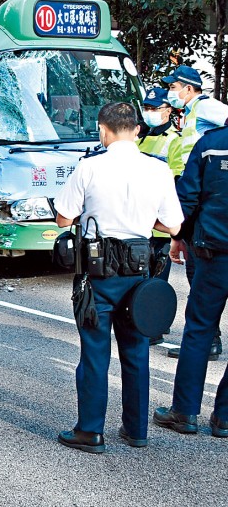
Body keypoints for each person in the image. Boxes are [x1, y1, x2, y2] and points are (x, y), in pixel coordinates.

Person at [53, 102, 183, 454]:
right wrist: (143, 223)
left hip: (98, 273)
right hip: (140, 272)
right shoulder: (158, 170)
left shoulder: (89, 167)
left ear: (103, 130)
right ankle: (136, 429)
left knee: (95, 352)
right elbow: (173, 225)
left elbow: (64, 218)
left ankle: (91, 432)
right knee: (137, 350)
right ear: (138, 130)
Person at [153, 125, 228, 438]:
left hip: (215, 252)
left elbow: (187, 198)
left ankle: (184, 412)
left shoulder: (212, 144)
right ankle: (224, 417)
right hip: (214, 247)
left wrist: (178, 237)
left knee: (199, 330)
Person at [161, 65, 228, 360]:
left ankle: (207, 340)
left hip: (205, 197)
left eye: (173, 87)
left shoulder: (207, 107)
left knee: (199, 274)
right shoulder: (190, 114)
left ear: (189, 88)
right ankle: (207, 338)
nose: (170, 93)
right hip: (196, 193)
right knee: (194, 272)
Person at [137, 87, 183, 286]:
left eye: (154, 108)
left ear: (168, 110)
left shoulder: (175, 141)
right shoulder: (140, 137)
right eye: (147, 107)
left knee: (155, 285)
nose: (150, 112)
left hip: (159, 227)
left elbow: (176, 182)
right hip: (136, 223)